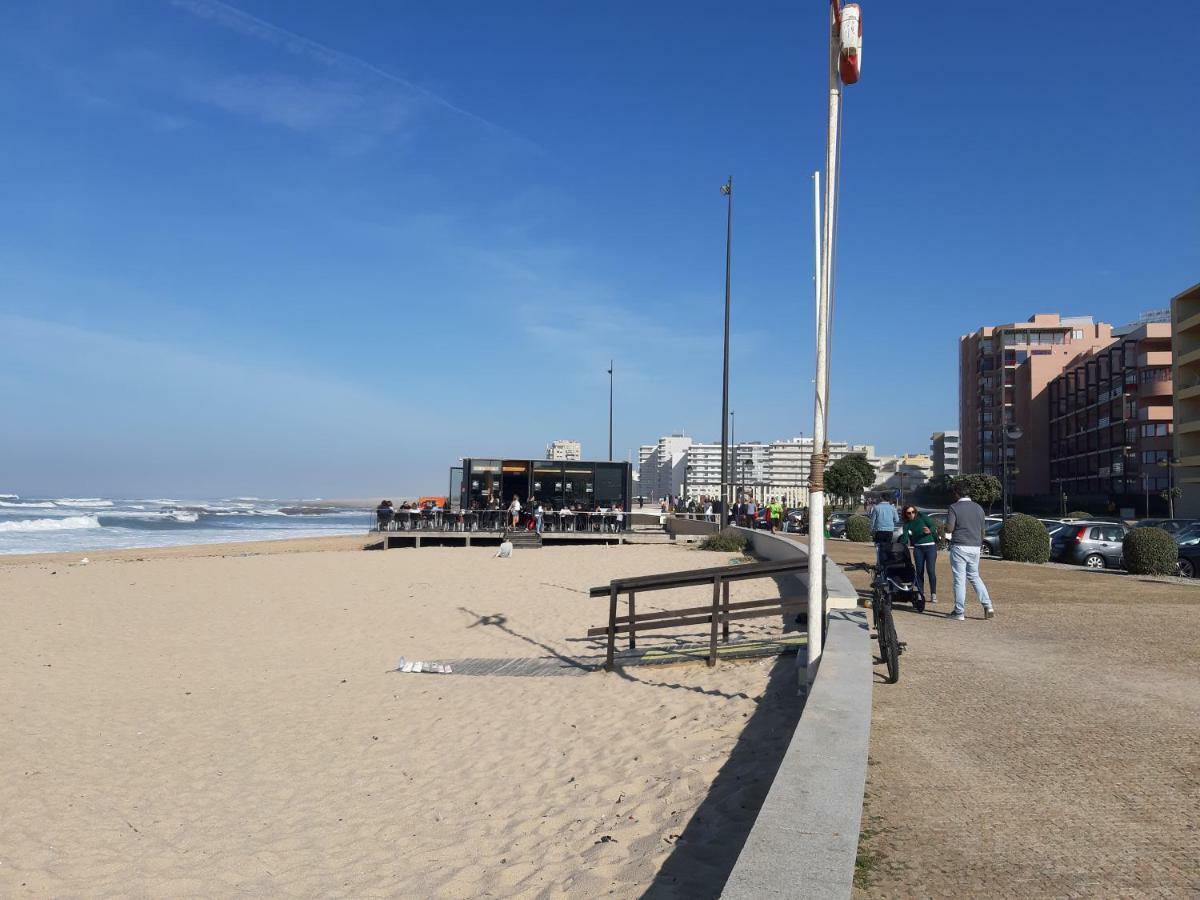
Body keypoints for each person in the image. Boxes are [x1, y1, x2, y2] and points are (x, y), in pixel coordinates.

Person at [946, 484, 994, 620]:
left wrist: (945, 528)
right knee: (974, 576)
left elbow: (949, 528)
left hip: (960, 545)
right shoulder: (979, 508)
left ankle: (959, 611)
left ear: (957, 493)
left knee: (959, 579)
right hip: (975, 546)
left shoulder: (954, 507)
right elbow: (982, 530)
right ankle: (988, 605)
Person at [899, 505, 938, 603]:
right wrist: (899, 545)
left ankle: (933, 594)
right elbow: (904, 538)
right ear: (905, 514)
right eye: (909, 513)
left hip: (930, 547)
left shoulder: (922, 516)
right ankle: (920, 593)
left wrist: (930, 531)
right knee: (919, 571)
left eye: (913, 512)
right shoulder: (907, 524)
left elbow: (933, 526)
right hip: (918, 548)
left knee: (931, 570)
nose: (912, 514)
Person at [869, 492, 900, 566]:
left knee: (879, 547)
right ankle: (887, 562)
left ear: (881, 498)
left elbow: (872, 521)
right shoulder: (892, 508)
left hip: (879, 530)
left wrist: (871, 530)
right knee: (887, 547)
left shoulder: (876, 507)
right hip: (889, 531)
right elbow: (897, 520)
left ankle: (879, 563)